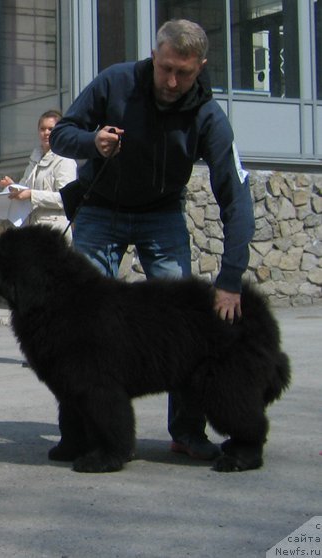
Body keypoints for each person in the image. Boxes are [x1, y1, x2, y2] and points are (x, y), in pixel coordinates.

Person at [50, 19, 255, 460]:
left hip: (161, 216)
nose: (172, 81)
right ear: (154, 55)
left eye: (184, 72)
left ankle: (186, 431)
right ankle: (78, 433)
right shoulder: (115, 81)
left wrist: (231, 276)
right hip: (100, 208)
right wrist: (93, 141)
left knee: (184, 327)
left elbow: (235, 197)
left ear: (200, 67)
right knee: (78, 325)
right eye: (165, 69)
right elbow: (63, 134)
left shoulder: (208, 116)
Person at [0, 110, 77, 229]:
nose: (46, 133)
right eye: (42, 129)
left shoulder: (65, 159)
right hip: (34, 228)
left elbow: (66, 199)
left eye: (51, 129)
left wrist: (31, 195)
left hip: (55, 230)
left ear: (60, 132)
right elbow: (25, 189)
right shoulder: (35, 159)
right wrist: (13, 187)